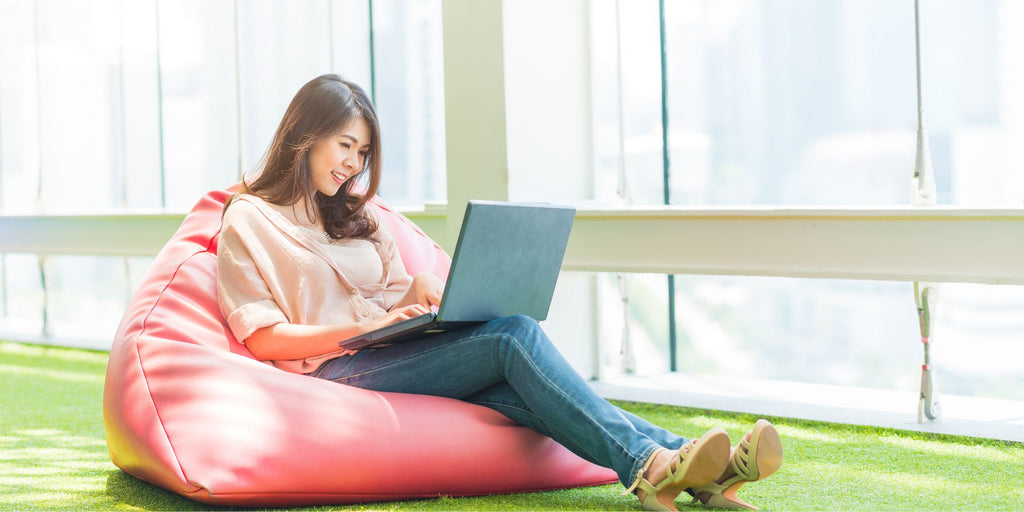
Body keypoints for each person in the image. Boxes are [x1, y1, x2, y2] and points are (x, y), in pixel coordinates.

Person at [216, 74, 783, 511]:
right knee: (513, 337)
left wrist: (428, 294)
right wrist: (359, 330)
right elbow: (263, 336)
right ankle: (651, 464)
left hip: (390, 350)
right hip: (332, 372)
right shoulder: (250, 218)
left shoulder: (360, 218)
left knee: (519, 392)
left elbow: (392, 298)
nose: (354, 165)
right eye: (345, 146)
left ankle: (700, 469)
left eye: (362, 154)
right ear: (305, 134)